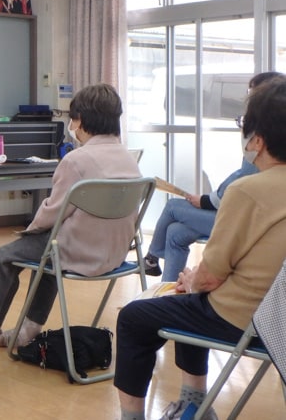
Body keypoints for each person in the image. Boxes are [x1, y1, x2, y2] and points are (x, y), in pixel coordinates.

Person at [114, 77, 286, 420]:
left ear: (259, 140)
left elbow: (209, 279)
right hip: (280, 320)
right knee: (188, 303)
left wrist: (191, 279)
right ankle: (194, 405)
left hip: (246, 319)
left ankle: (149, 414)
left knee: (135, 317)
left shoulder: (248, 190)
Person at [0, 83, 141, 347]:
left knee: (9, 254)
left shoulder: (75, 160)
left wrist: (29, 231)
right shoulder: (129, 159)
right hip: (116, 253)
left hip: (79, 252)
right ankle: (29, 327)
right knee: (48, 251)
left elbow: (53, 212)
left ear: (80, 120)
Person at [143, 71, 285, 280]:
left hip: (238, 220)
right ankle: (168, 292)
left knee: (173, 207)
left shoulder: (264, 144)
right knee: (175, 232)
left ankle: (152, 258)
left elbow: (239, 183)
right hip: (234, 215)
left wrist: (207, 200)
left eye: (252, 94)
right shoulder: (266, 143)